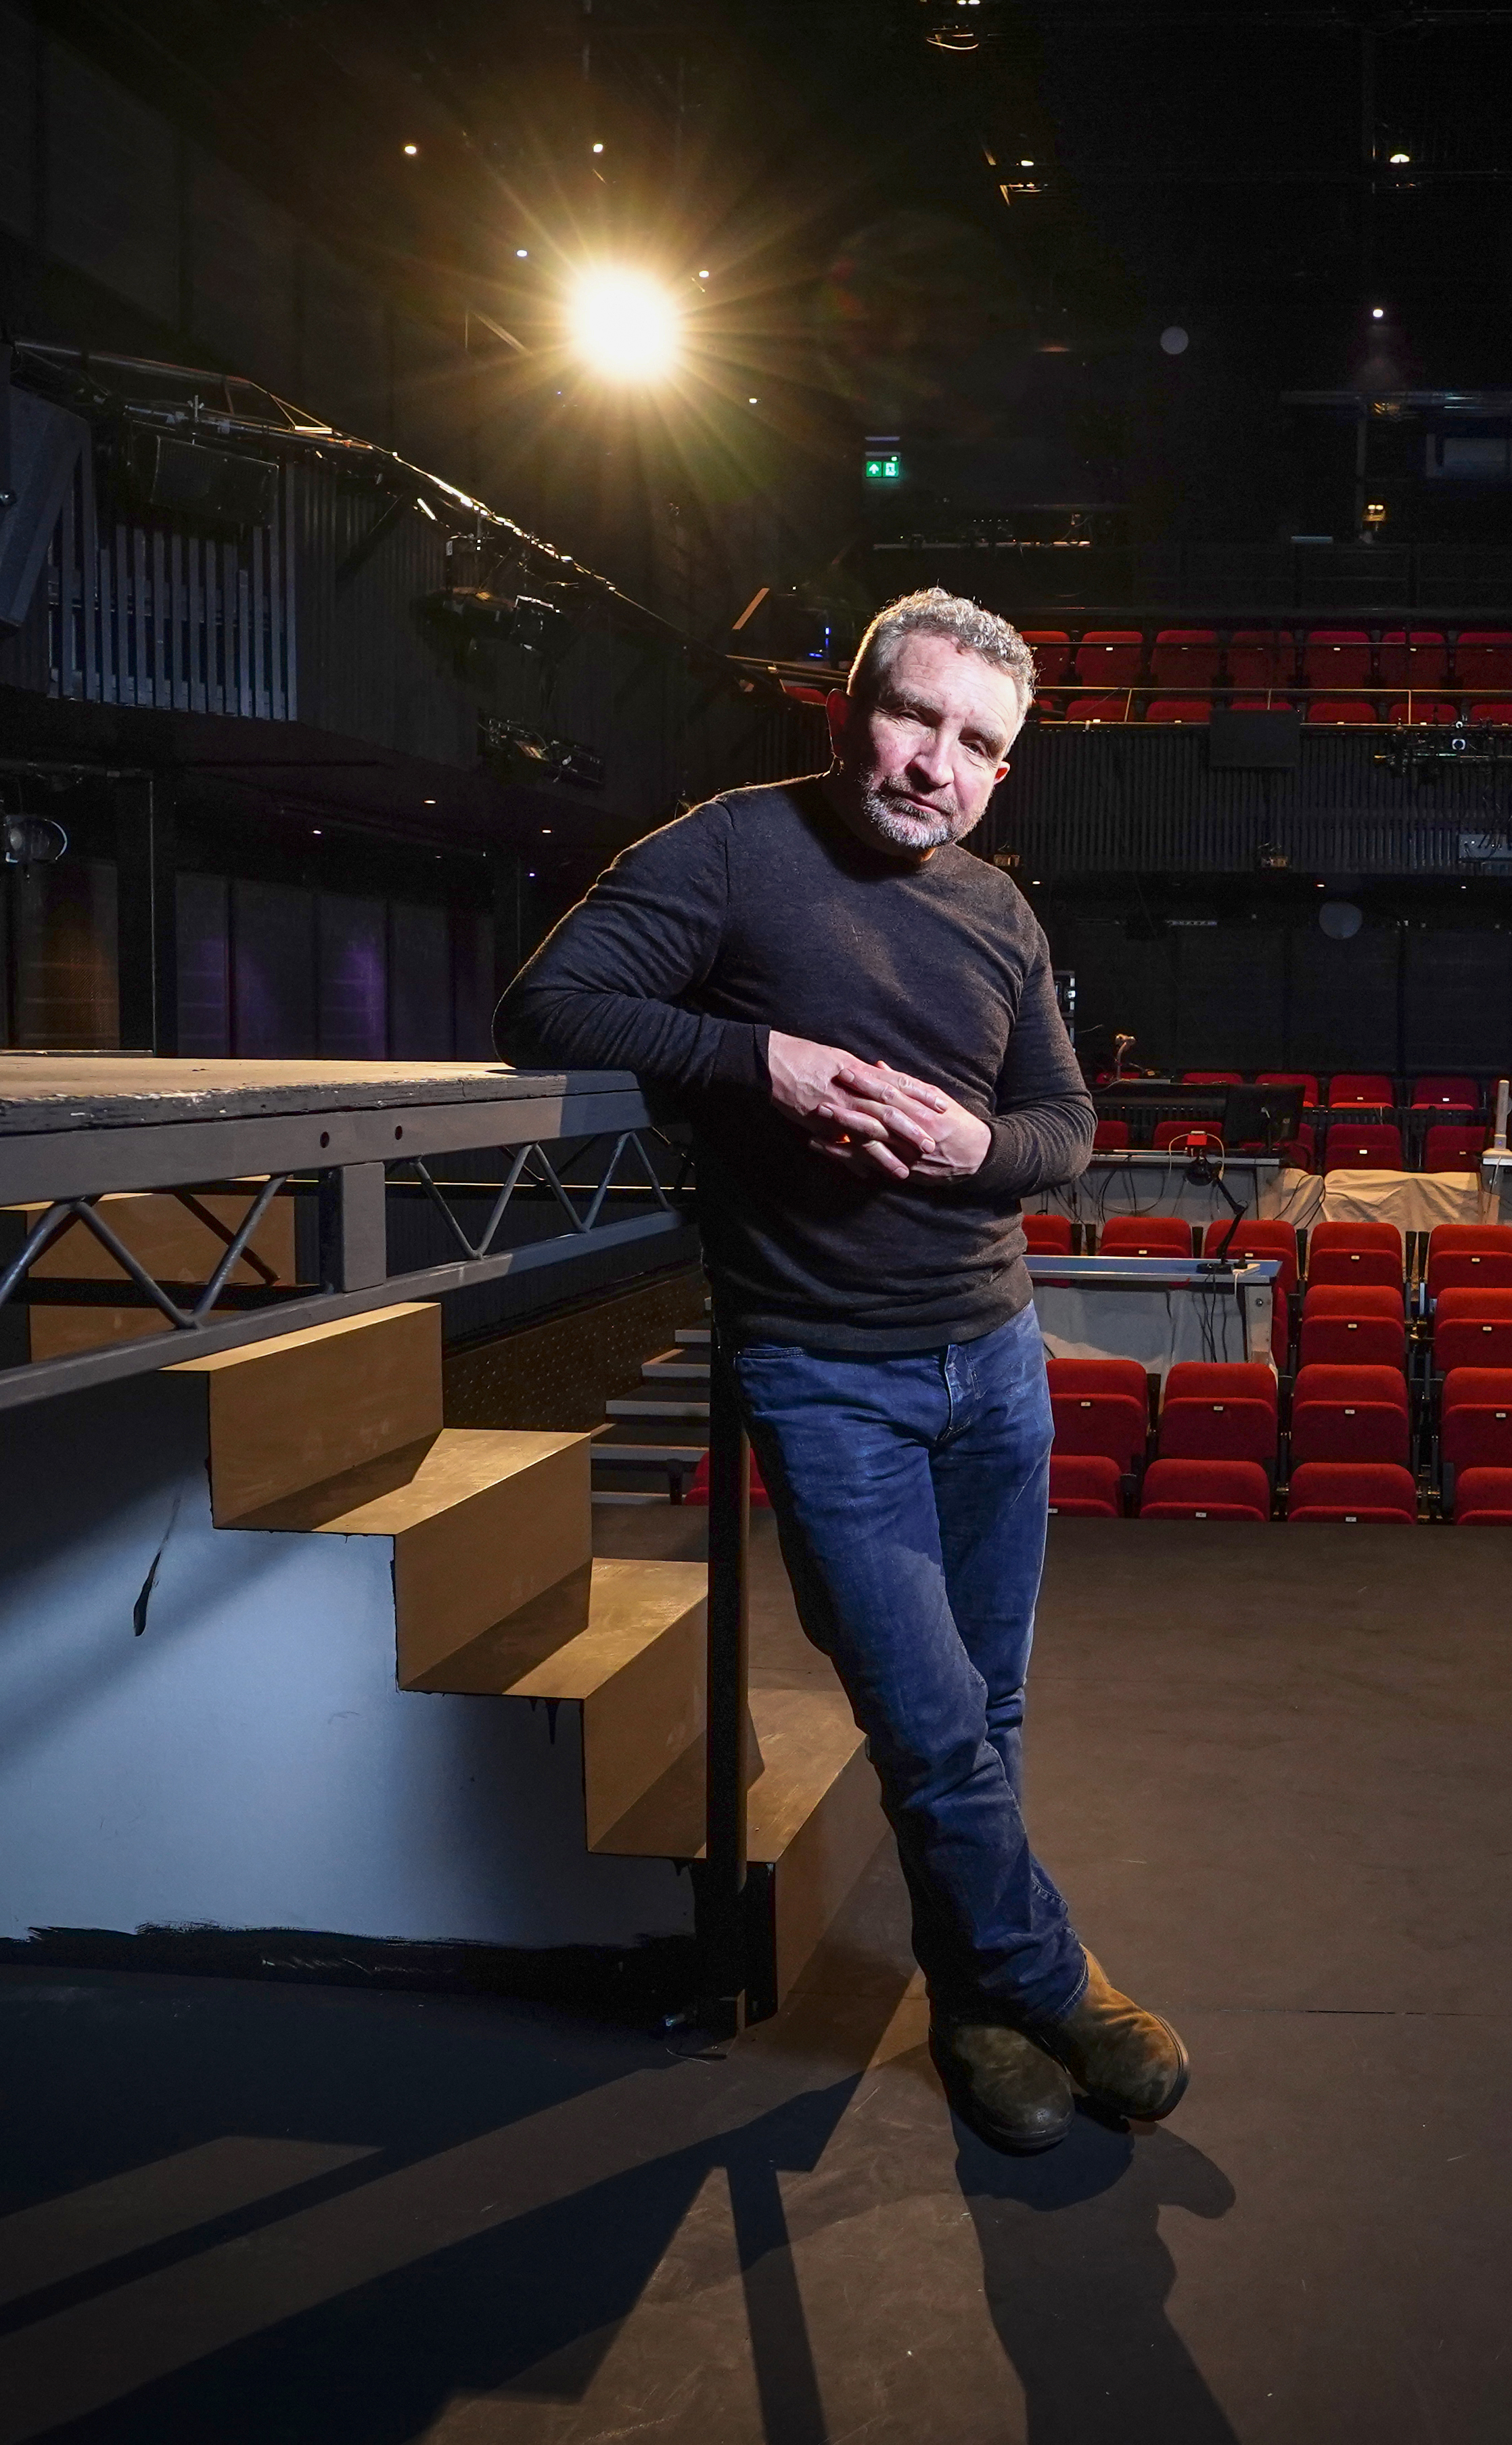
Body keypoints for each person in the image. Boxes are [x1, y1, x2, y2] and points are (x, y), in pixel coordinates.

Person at [499, 587, 1185, 2156]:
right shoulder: (729, 850)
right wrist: (763, 1060)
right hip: (824, 1373)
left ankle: (970, 2010)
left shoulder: (1001, 914)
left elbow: (1062, 1136)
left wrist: (970, 1149)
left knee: (985, 1709)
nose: (937, 762)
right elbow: (543, 1005)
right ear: (847, 709)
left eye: (976, 744)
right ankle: (1056, 1982)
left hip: (994, 1358)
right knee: (928, 1719)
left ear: (1003, 771)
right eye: (915, 717)